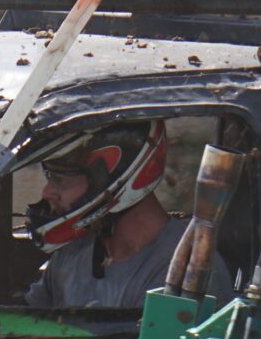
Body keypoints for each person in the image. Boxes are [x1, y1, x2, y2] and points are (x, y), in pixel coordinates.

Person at [23, 124, 184, 312]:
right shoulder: (74, 252)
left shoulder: (185, 271)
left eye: (61, 179)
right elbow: (23, 330)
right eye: (49, 177)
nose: (47, 192)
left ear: (110, 179)